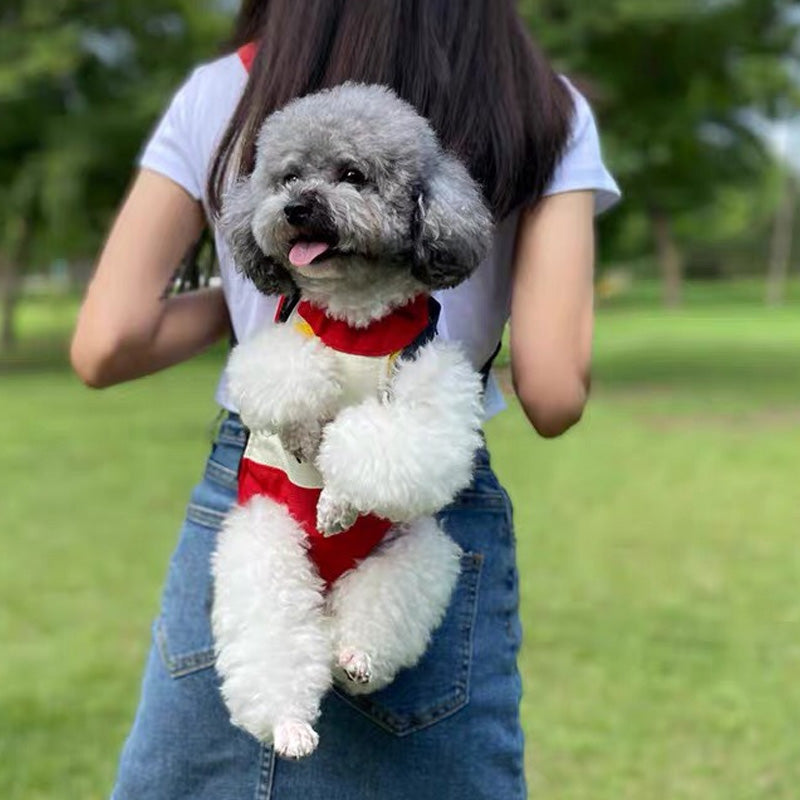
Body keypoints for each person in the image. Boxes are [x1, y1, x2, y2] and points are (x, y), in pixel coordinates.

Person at [71, 1, 620, 798]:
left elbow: (106, 341)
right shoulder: (543, 106)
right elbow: (553, 390)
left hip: (258, 483)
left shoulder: (222, 92)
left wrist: (260, 303)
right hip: (422, 503)